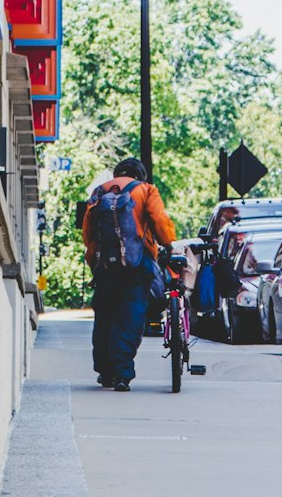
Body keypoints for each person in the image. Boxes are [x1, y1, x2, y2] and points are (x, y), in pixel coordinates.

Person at [82, 157, 175, 392]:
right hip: (137, 265)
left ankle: (105, 372)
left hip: (105, 266)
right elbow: (159, 223)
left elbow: (88, 232)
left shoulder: (99, 192)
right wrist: (168, 243)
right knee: (130, 317)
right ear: (141, 175)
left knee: (105, 317)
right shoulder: (146, 190)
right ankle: (122, 374)